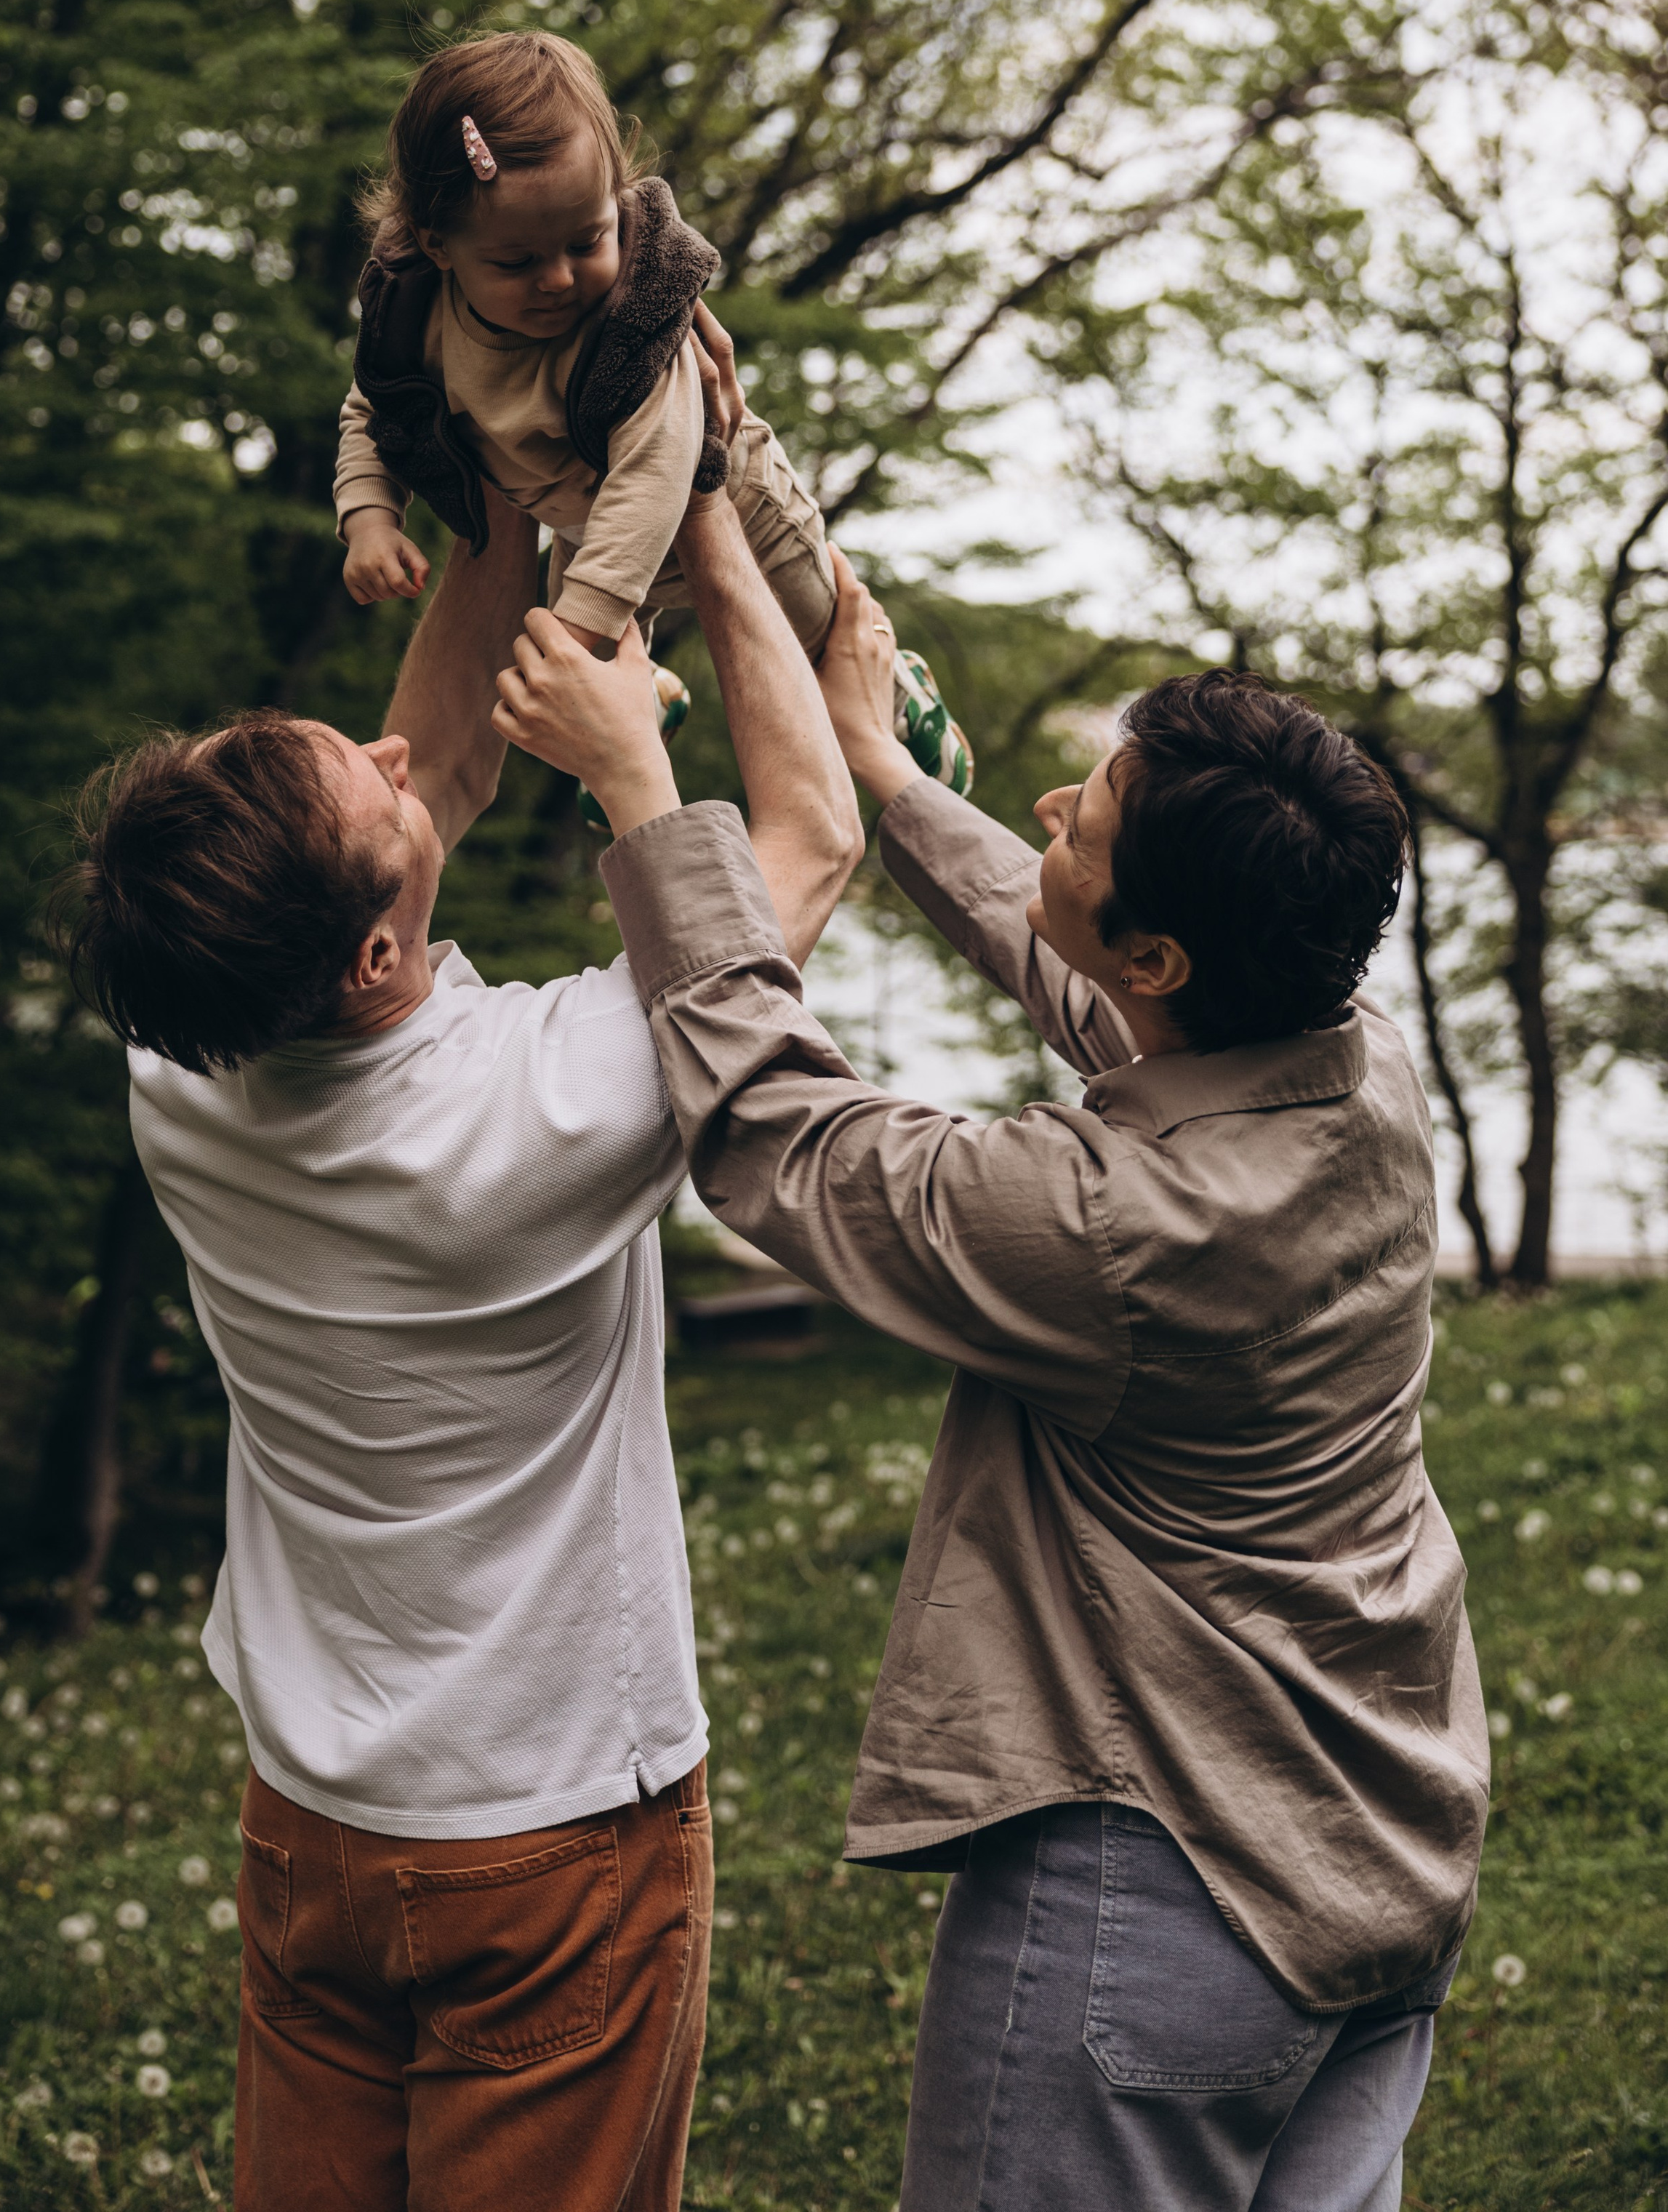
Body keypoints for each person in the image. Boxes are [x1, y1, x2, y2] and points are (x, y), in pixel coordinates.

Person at [494, 563, 1491, 2212]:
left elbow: (770, 1129)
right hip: (1375, 1860)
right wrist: (883, 777)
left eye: (1079, 823)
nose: (1044, 809)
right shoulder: (1347, 1053)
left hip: (1170, 1887)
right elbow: (1097, 987)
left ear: (1163, 943)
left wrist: (636, 791)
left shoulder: (1109, 1227)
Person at [52, 357, 862, 2212]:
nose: (400, 749)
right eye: (372, 784)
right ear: (367, 949)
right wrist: (709, 514)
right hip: (553, 1838)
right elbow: (806, 847)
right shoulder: (553, 1105)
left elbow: (439, 758)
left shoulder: (185, 1059)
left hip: (315, 1821)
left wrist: (535, 462)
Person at [336, 26, 971, 796]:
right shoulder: (418, 321)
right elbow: (377, 406)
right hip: (589, 526)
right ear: (437, 247)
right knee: (572, 670)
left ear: (617, 203)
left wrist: (582, 629)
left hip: (734, 507)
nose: (561, 279)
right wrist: (370, 516)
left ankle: (894, 695)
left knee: (809, 642)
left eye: (586, 239)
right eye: (517, 262)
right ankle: (646, 712)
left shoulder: (635, 326)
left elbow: (656, 476)